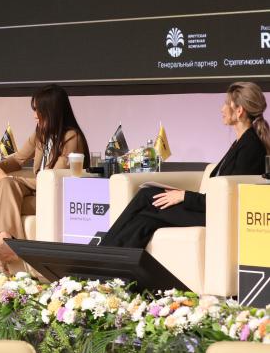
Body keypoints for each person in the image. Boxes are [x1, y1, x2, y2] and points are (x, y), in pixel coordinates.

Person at [101, 81, 269, 248]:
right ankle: (110, 260)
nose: (222, 109)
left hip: (218, 215)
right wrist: (182, 195)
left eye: (226, 104)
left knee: (146, 196)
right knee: (145, 220)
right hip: (209, 209)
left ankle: (101, 254)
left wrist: (183, 196)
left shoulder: (251, 147)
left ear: (239, 111)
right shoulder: (242, 142)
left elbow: (229, 198)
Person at [0, 84, 89, 272]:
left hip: (56, 198)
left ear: (52, 111)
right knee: (6, 187)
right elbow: (18, 159)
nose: (34, 115)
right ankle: (4, 246)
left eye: (38, 110)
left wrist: (7, 177)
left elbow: (53, 181)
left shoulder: (71, 137)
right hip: (36, 194)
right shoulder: (40, 134)